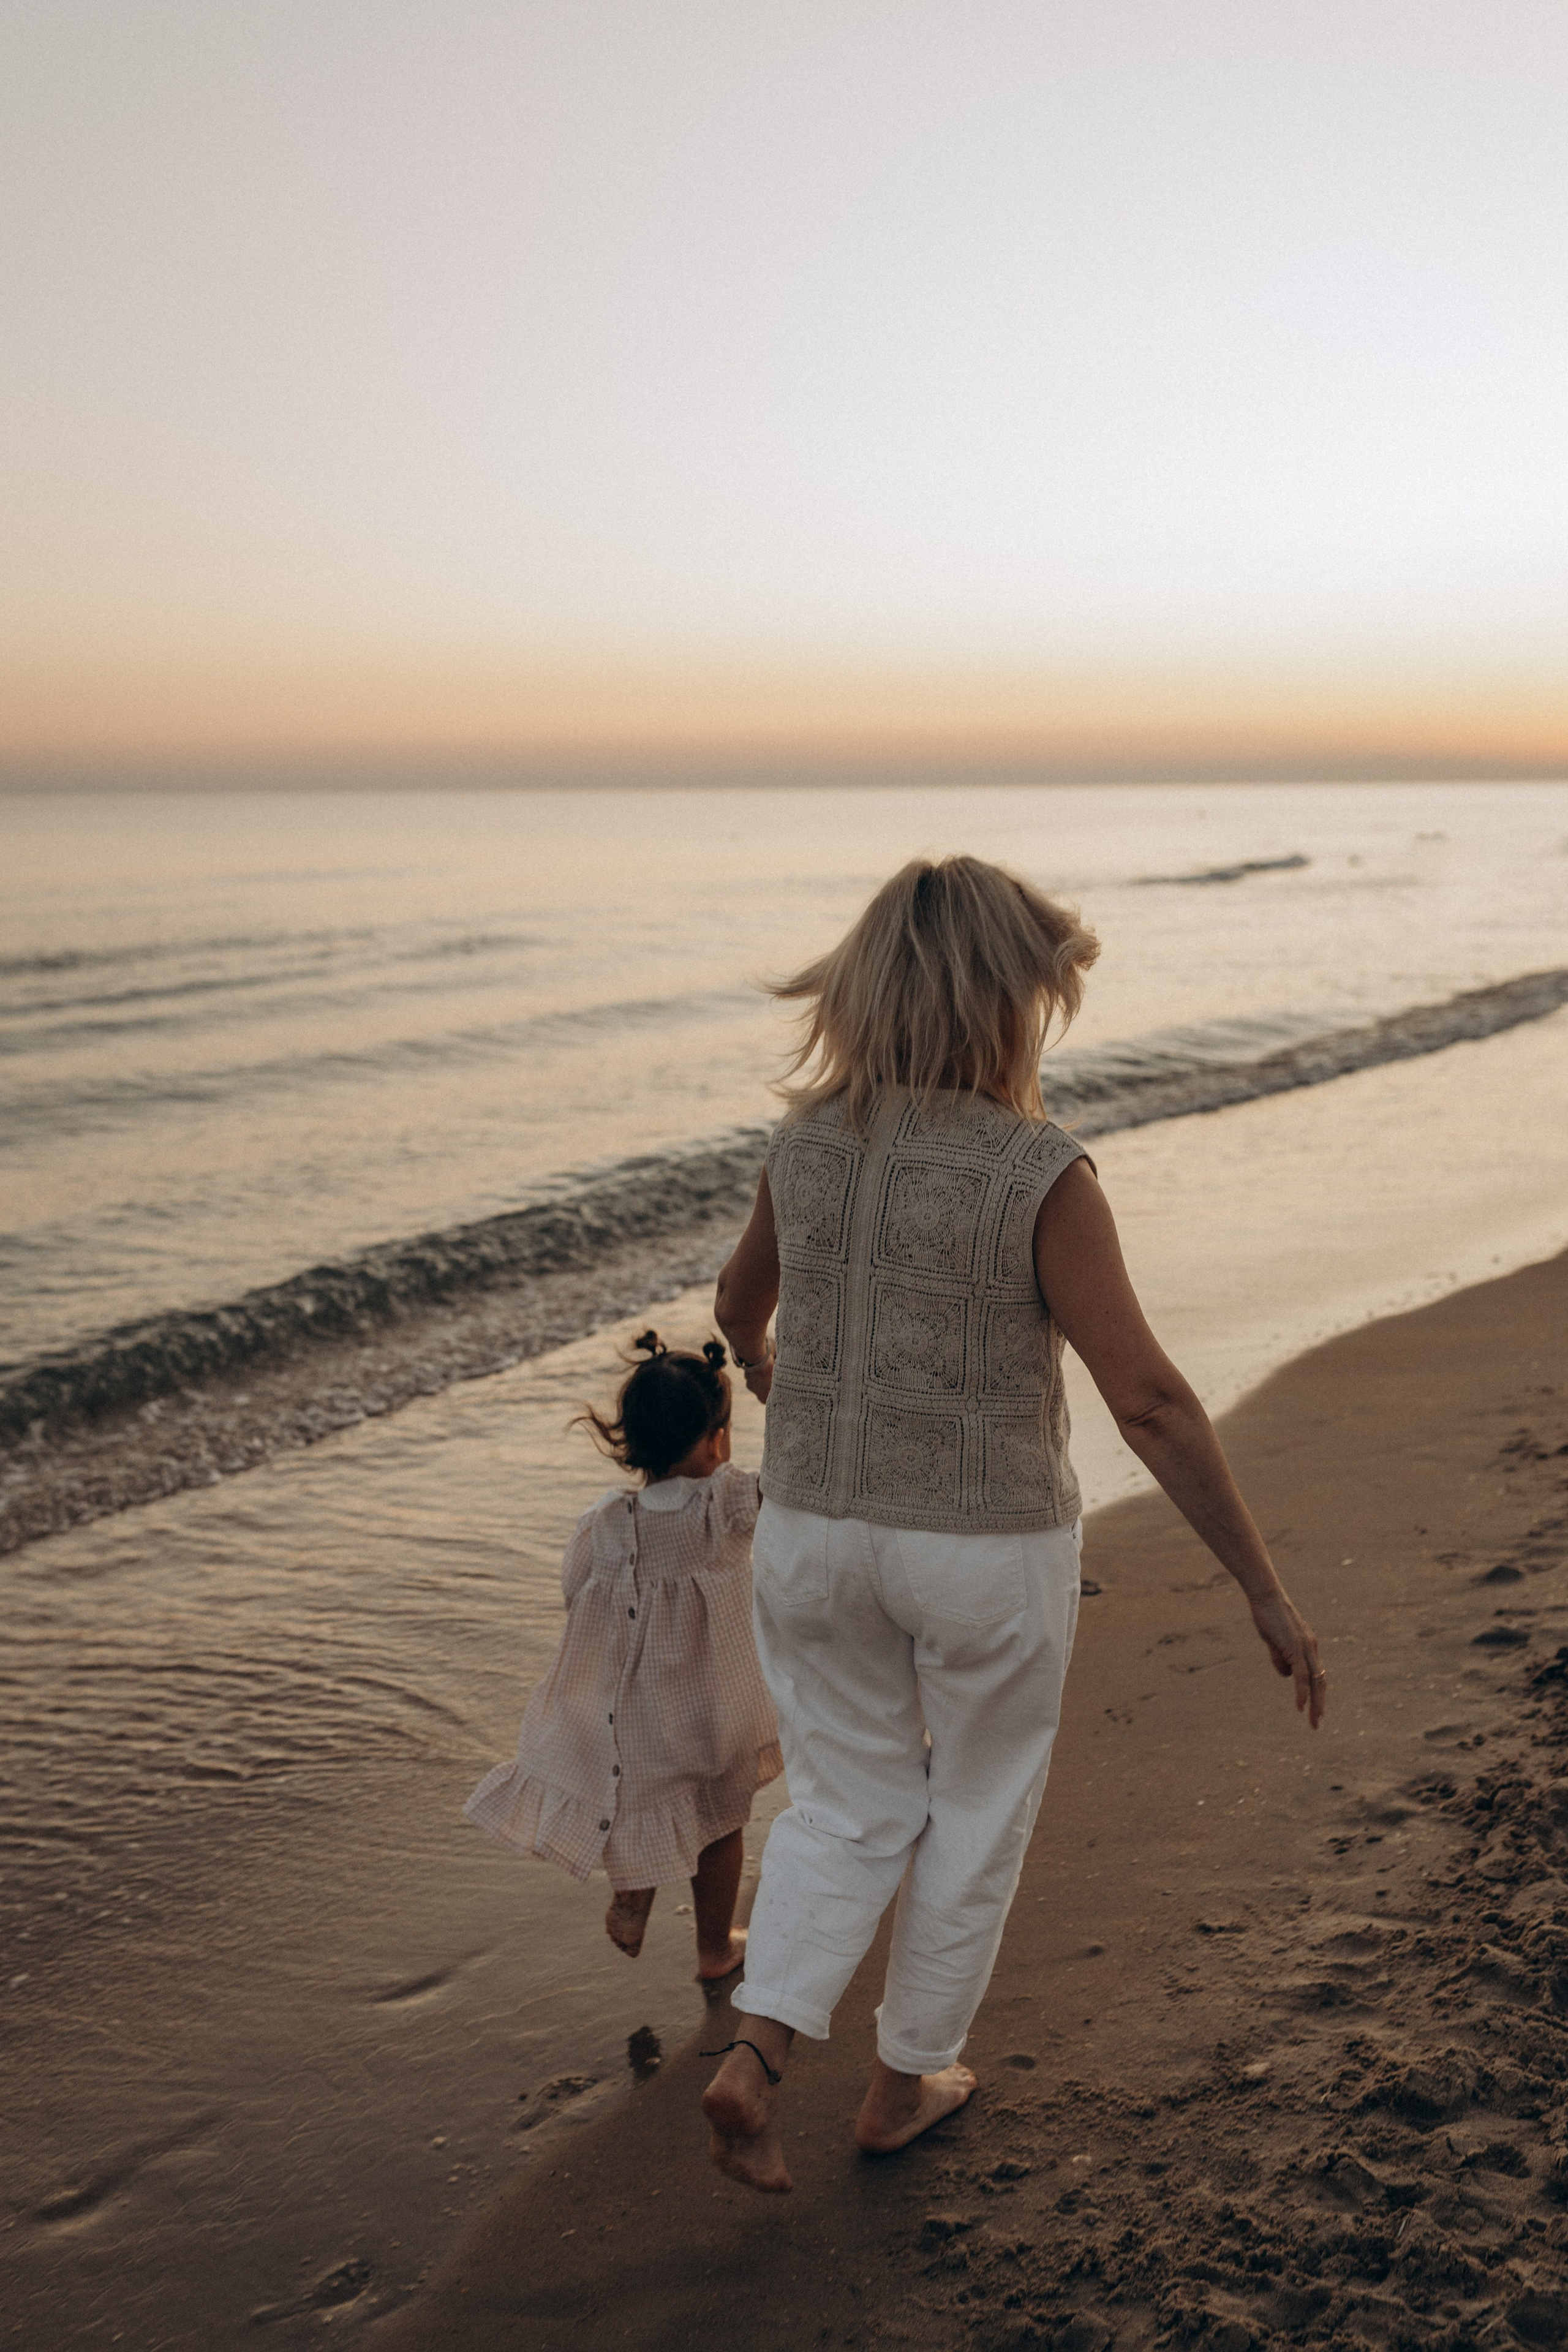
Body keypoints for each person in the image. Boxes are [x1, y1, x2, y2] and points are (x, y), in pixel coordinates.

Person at [701, 854, 1327, 2192]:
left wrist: (765, 1371)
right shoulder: (1036, 1171)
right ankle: (899, 2080)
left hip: (815, 1533)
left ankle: (754, 2061)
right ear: (1005, 1003)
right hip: (980, 1546)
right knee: (973, 1807)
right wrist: (1260, 1586)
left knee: (843, 1805)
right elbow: (1146, 1402)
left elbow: (734, 1302)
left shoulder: (804, 1146)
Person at [464, 1332, 782, 1982]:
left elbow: (574, 1589)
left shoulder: (604, 1519)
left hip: (633, 1717)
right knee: (719, 1820)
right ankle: (714, 1949)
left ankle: (635, 1892)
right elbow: (794, 1481)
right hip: (712, 1709)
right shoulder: (722, 1505)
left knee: (651, 1804)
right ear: (718, 1438)